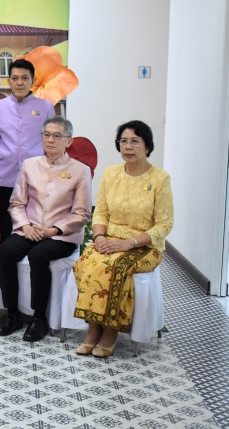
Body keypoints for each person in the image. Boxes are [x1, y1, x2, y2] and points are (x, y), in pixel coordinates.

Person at [73, 120, 173, 357]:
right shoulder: (111, 174)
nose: (128, 146)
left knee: (116, 266)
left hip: (146, 245)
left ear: (147, 146)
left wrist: (130, 243)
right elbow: (101, 212)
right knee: (88, 261)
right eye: (124, 141)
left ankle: (111, 330)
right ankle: (93, 327)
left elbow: (165, 224)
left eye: (135, 141)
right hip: (109, 239)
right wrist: (98, 237)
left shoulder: (160, 179)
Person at [0, 116, 92, 341]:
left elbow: (82, 213)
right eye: (46, 135)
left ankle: (39, 318)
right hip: (29, 229)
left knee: (39, 256)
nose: (51, 140)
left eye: (57, 135)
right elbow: (17, 203)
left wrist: (55, 230)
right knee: (6, 253)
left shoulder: (80, 170)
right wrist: (25, 226)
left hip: (61, 236)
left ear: (69, 141)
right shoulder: (30, 165)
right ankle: (12, 314)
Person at [0, 59, 55, 246]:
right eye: (15, 78)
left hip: (37, 179)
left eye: (25, 78)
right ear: (8, 81)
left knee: (35, 228)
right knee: (8, 231)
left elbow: (53, 143)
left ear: (33, 81)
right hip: (5, 179)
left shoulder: (46, 107)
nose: (19, 82)